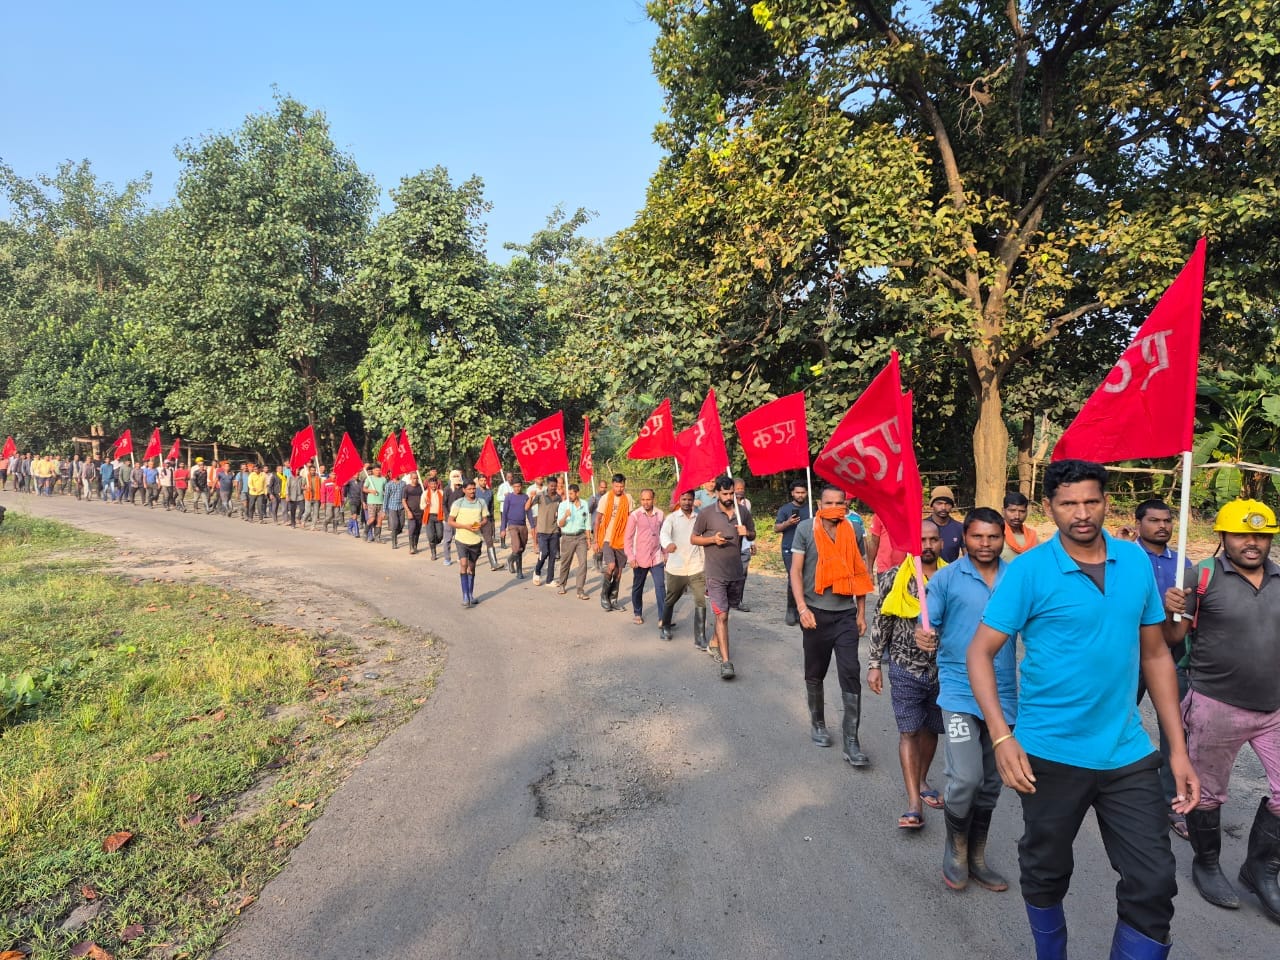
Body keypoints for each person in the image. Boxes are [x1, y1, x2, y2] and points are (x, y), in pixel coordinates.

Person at [967, 459, 1198, 959]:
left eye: (1091, 501)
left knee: (1155, 881)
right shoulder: (1030, 570)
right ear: (1049, 508)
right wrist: (1003, 737)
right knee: (1046, 870)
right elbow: (980, 653)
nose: (1082, 513)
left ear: (1107, 502)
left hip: (1126, 752)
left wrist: (1177, 751)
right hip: (1049, 754)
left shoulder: (1135, 563)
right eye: (1068, 503)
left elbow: (1156, 655)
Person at [1163, 499, 1280, 920]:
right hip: (1216, 705)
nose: (1253, 543)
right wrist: (1172, 607)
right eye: (1242, 535)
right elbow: (1174, 637)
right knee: (1206, 794)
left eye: (1262, 535)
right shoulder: (1202, 576)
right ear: (1223, 538)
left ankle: (1261, 869)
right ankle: (1207, 864)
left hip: (1274, 708)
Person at [915, 508, 1015, 892]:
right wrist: (923, 635)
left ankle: (977, 854)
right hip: (958, 690)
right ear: (964, 538)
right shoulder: (946, 578)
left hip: (1005, 693)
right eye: (977, 537)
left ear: (1002, 537)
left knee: (991, 782)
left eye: (993, 537)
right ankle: (955, 849)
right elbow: (928, 622)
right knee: (965, 778)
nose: (985, 544)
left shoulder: (1016, 578)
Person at [867, 520, 945, 824]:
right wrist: (875, 664)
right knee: (909, 730)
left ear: (941, 543)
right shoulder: (894, 578)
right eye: (921, 540)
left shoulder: (951, 578)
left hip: (942, 671)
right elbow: (881, 621)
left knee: (931, 729)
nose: (927, 545)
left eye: (933, 539)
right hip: (904, 667)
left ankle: (922, 780)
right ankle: (914, 801)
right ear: (913, 544)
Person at [788, 484, 874, 759]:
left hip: (845, 615)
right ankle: (818, 724)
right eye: (828, 503)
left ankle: (852, 740)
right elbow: (796, 572)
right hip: (815, 613)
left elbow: (859, 573)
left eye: (840, 503)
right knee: (815, 672)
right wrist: (802, 609)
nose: (834, 507)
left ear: (846, 505)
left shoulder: (854, 530)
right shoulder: (805, 530)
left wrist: (861, 612)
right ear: (820, 504)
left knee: (851, 672)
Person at [1132, 498, 1194, 842]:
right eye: (1154, 520)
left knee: (1176, 730)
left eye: (1167, 520)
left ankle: (1173, 801)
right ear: (1138, 522)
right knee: (1119, 716)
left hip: (1170, 655)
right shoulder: (1126, 560)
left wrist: (1180, 611)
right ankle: (1105, 785)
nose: (1162, 526)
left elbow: (1185, 618)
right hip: (1127, 656)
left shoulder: (1183, 562)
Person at [691, 475, 756, 680]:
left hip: (736, 572)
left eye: (732, 493)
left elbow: (752, 534)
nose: (729, 497)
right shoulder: (707, 513)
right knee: (723, 615)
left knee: (727, 611)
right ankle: (727, 662)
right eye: (725, 493)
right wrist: (712, 540)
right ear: (717, 493)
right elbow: (694, 538)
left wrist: (748, 532)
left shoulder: (742, 511)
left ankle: (713, 642)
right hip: (715, 572)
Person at [660, 488, 707, 646]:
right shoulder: (672, 518)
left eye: (689, 499)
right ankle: (665, 626)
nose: (687, 502)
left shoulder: (699, 518)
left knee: (701, 600)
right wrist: (668, 544)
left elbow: (703, 538)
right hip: (677, 566)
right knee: (671, 599)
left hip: (696, 566)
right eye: (684, 499)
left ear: (694, 501)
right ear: (679, 500)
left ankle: (700, 637)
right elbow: (664, 534)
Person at [624, 489, 666, 627]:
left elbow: (664, 536)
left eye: (648, 499)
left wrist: (666, 554)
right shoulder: (635, 515)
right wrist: (631, 557)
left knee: (660, 587)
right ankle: (637, 613)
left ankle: (662, 617)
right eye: (643, 499)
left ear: (653, 499)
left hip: (657, 557)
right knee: (638, 587)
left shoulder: (660, 515)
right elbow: (628, 538)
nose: (645, 502)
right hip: (640, 558)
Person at [594, 474, 635, 613]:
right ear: (612, 485)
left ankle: (613, 599)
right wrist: (595, 541)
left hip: (623, 540)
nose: (619, 488)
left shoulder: (628, 498)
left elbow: (631, 519)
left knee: (618, 572)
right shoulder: (606, 498)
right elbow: (598, 519)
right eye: (617, 486)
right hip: (607, 538)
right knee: (611, 566)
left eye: (621, 486)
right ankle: (604, 595)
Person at [775, 483, 812, 627]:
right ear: (792, 493)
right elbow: (776, 528)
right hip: (789, 549)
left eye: (803, 492)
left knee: (807, 579)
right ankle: (791, 609)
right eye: (798, 492)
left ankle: (803, 609)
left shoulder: (811, 509)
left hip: (808, 549)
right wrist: (788, 523)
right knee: (793, 578)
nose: (800, 495)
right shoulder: (785, 509)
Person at [447, 479, 488, 607]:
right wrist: (465, 526)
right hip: (461, 539)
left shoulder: (481, 502)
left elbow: (485, 519)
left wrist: (479, 524)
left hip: (475, 540)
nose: (472, 491)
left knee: (472, 567)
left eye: (473, 489)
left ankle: (470, 594)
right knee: (463, 564)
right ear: (464, 490)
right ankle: (465, 595)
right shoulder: (458, 503)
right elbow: (450, 521)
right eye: (469, 489)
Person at [556, 483, 592, 599]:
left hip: (581, 537)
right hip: (568, 537)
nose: (569, 496)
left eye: (571, 494)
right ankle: (562, 584)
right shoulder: (563, 505)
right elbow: (560, 524)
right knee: (566, 562)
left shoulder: (584, 504)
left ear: (577, 493)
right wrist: (565, 516)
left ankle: (580, 590)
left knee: (583, 563)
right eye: (568, 493)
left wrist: (588, 539)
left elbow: (587, 522)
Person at [531, 476, 563, 586]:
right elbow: (527, 507)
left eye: (555, 486)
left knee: (552, 556)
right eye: (551, 486)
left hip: (554, 530)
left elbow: (561, 512)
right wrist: (531, 497)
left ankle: (550, 580)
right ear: (547, 485)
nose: (553, 488)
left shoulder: (559, 498)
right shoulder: (540, 495)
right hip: (542, 530)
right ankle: (537, 571)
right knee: (544, 553)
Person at [732, 478, 756, 612]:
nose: (740, 491)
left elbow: (750, 525)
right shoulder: (728, 505)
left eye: (742, 489)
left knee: (743, 574)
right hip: (731, 546)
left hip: (745, 545)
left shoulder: (747, 504)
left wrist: (752, 542)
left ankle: (738, 600)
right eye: (737, 489)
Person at [501, 478, 531, 579]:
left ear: (521, 487)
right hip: (512, 525)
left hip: (522, 525)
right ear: (512, 487)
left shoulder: (525, 497)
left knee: (521, 549)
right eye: (515, 487)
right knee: (517, 547)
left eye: (519, 486)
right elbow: (504, 513)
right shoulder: (509, 497)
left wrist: (533, 526)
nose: (517, 488)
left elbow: (529, 512)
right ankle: (512, 562)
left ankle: (518, 569)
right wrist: (503, 528)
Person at [928, 485, 965, 562]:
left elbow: (968, 557)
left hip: (951, 572)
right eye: (939, 503)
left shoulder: (959, 528)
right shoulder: (922, 527)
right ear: (932, 505)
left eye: (947, 504)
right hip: (925, 573)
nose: (943, 507)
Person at [1001, 491, 1039, 560]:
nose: (1017, 516)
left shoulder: (1032, 536)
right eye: (1012, 511)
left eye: (1022, 511)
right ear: (1003, 511)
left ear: (1027, 512)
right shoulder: (996, 535)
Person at [475, 475, 501, 570]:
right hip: (475, 520)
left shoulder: (489, 492)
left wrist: (492, 520)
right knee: (475, 542)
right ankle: (471, 560)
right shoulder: (474, 491)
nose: (483, 482)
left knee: (489, 541)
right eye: (481, 480)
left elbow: (491, 507)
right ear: (478, 481)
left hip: (487, 519)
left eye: (484, 480)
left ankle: (494, 563)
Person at [441, 470, 465, 565]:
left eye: (457, 476)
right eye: (454, 476)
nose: (456, 477)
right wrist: (447, 516)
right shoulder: (447, 489)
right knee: (447, 539)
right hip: (449, 519)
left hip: (460, 519)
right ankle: (447, 558)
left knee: (460, 539)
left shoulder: (463, 489)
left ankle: (461, 556)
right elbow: (444, 504)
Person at [421, 476, 447, 558]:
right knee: (431, 536)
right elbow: (421, 506)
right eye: (431, 484)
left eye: (435, 484)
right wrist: (426, 504)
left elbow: (445, 504)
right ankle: (433, 553)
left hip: (438, 516)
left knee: (440, 535)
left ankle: (433, 543)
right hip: (429, 516)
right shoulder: (425, 493)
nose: (433, 486)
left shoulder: (441, 493)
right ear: (429, 484)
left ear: (437, 484)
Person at [383, 471, 407, 549]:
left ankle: (394, 534)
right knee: (395, 525)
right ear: (390, 474)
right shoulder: (388, 485)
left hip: (401, 507)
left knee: (402, 525)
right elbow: (386, 498)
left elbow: (406, 495)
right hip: (392, 507)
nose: (396, 474)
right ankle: (394, 542)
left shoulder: (403, 483)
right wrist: (384, 510)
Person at [362, 465, 386, 543]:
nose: (378, 472)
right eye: (376, 470)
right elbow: (364, 489)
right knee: (372, 519)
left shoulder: (383, 479)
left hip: (381, 502)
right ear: (373, 471)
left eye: (379, 470)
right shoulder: (369, 478)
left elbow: (385, 490)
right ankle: (365, 532)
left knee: (379, 520)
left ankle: (377, 537)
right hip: (372, 502)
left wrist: (385, 493)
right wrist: (371, 491)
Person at [404, 473, 424, 554]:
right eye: (413, 478)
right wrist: (408, 511)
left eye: (416, 478)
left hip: (420, 512)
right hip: (411, 512)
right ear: (410, 479)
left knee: (417, 530)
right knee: (412, 529)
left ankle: (415, 545)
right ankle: (411, 547)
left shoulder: (421, 487)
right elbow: (403, 500)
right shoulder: (407, 488)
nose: (415, 480)